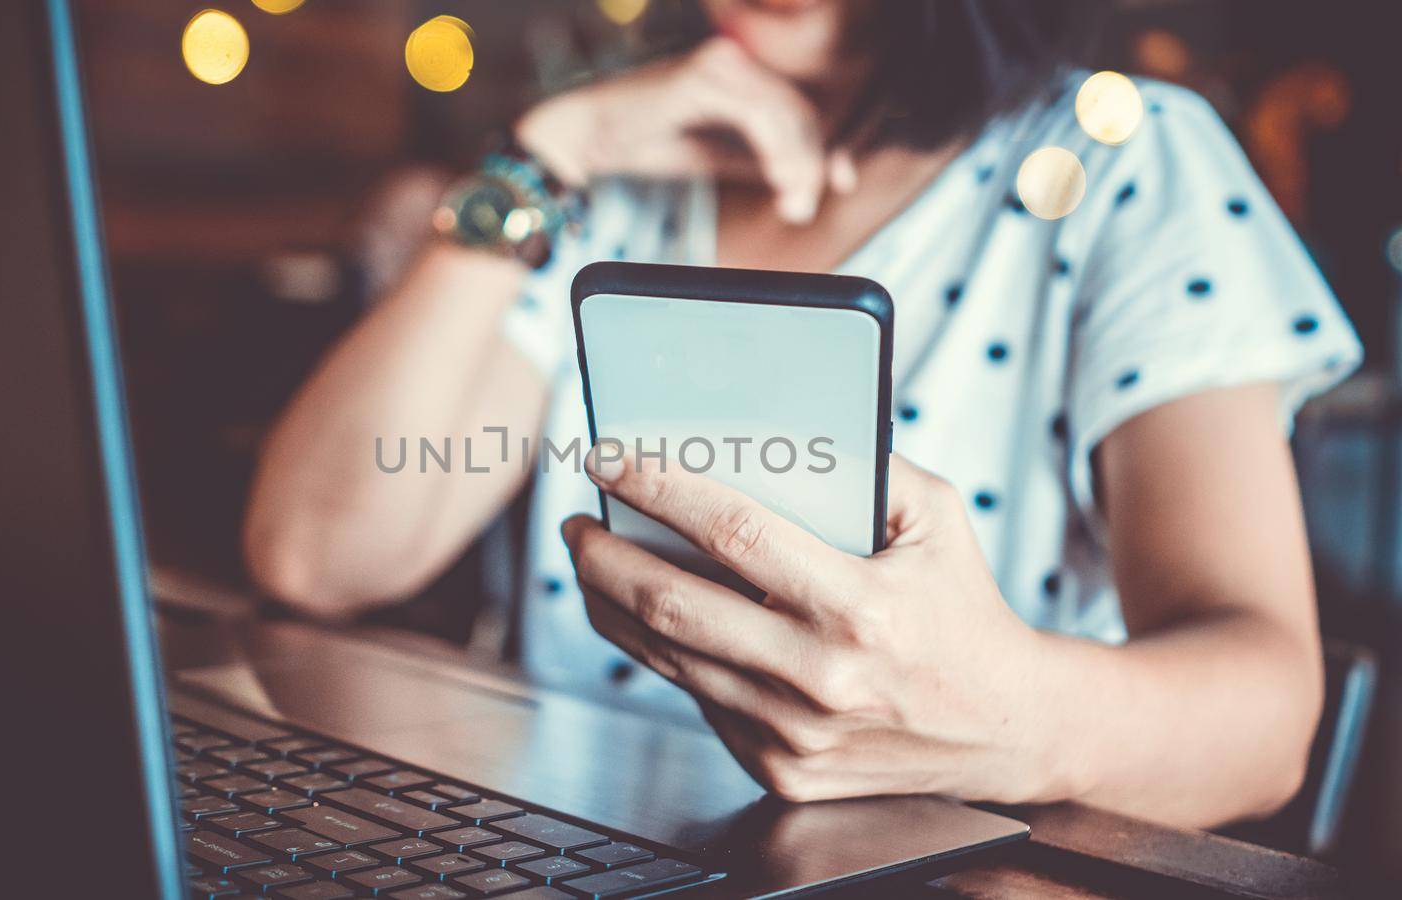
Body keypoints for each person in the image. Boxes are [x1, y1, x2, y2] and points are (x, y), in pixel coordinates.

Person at [242, 0, 1362, 829]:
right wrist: (543, 156)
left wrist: (998, 716)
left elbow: (1268, 723)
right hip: (576, 840)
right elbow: (317, 552)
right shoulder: (623, 173)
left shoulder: (1119, 162)